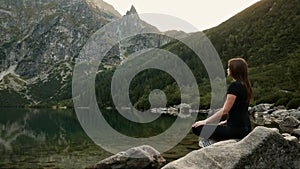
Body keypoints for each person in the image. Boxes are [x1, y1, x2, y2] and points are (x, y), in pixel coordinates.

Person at [192, 58, 253, 147]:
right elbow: (240, 109)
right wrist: (225, 122)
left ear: (235, 70)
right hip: (246, 129)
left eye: (229, 67)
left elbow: (225, 110)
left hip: (236, 130)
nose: (227, 69)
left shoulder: (234, 86)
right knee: (217, 127)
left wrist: (205, 121)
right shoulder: (246, 86)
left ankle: (211, 145)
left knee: (196, 128)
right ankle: (220, 139)